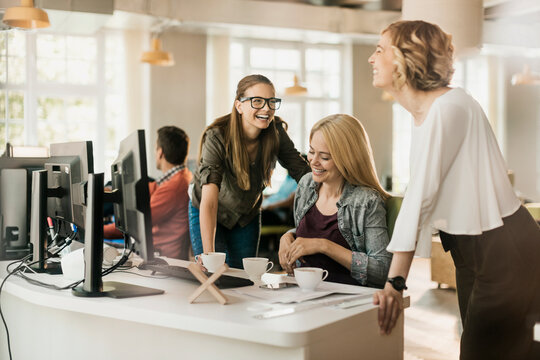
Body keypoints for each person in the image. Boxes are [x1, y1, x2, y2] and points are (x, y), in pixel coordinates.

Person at [368, 20, 540, 359]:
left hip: (505, 249)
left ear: (404, 59)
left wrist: (395, 282)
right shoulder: (425, 114)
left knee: (482, 351)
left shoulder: (451, 107)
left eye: (378, 50)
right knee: (503, 350)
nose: (371, 59)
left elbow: (419, 195)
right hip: (470, 252)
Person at [189, 74, 310, 269]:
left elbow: (302, 172)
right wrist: (208, 254)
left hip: (246, 214)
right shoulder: (217, 136)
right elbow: (210, 199)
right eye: (257, 101)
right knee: (214, 272)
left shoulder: (276, 132)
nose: (266, 108)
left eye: (271, 101)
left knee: (244, 277)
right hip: (209, 209)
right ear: (239, 106)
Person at [278, 114, 392, 288]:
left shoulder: (367, 201)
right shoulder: (306, 185)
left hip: (347, 300)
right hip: (303, 293)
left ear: (347, 159)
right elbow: (316, 229)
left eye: (324, 157)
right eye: (311, 151)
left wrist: (324, 246)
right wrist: (289, 235)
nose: (313, 162)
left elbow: (381, 272)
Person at [104, 126, 193, 260]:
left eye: (155, 148)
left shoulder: (174, 187)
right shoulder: (181, 176)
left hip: (160, 257)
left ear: (160, 152)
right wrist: (111, 190)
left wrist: (96, 229)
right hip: (152, 251)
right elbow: (152, 187)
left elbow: (134, 224)